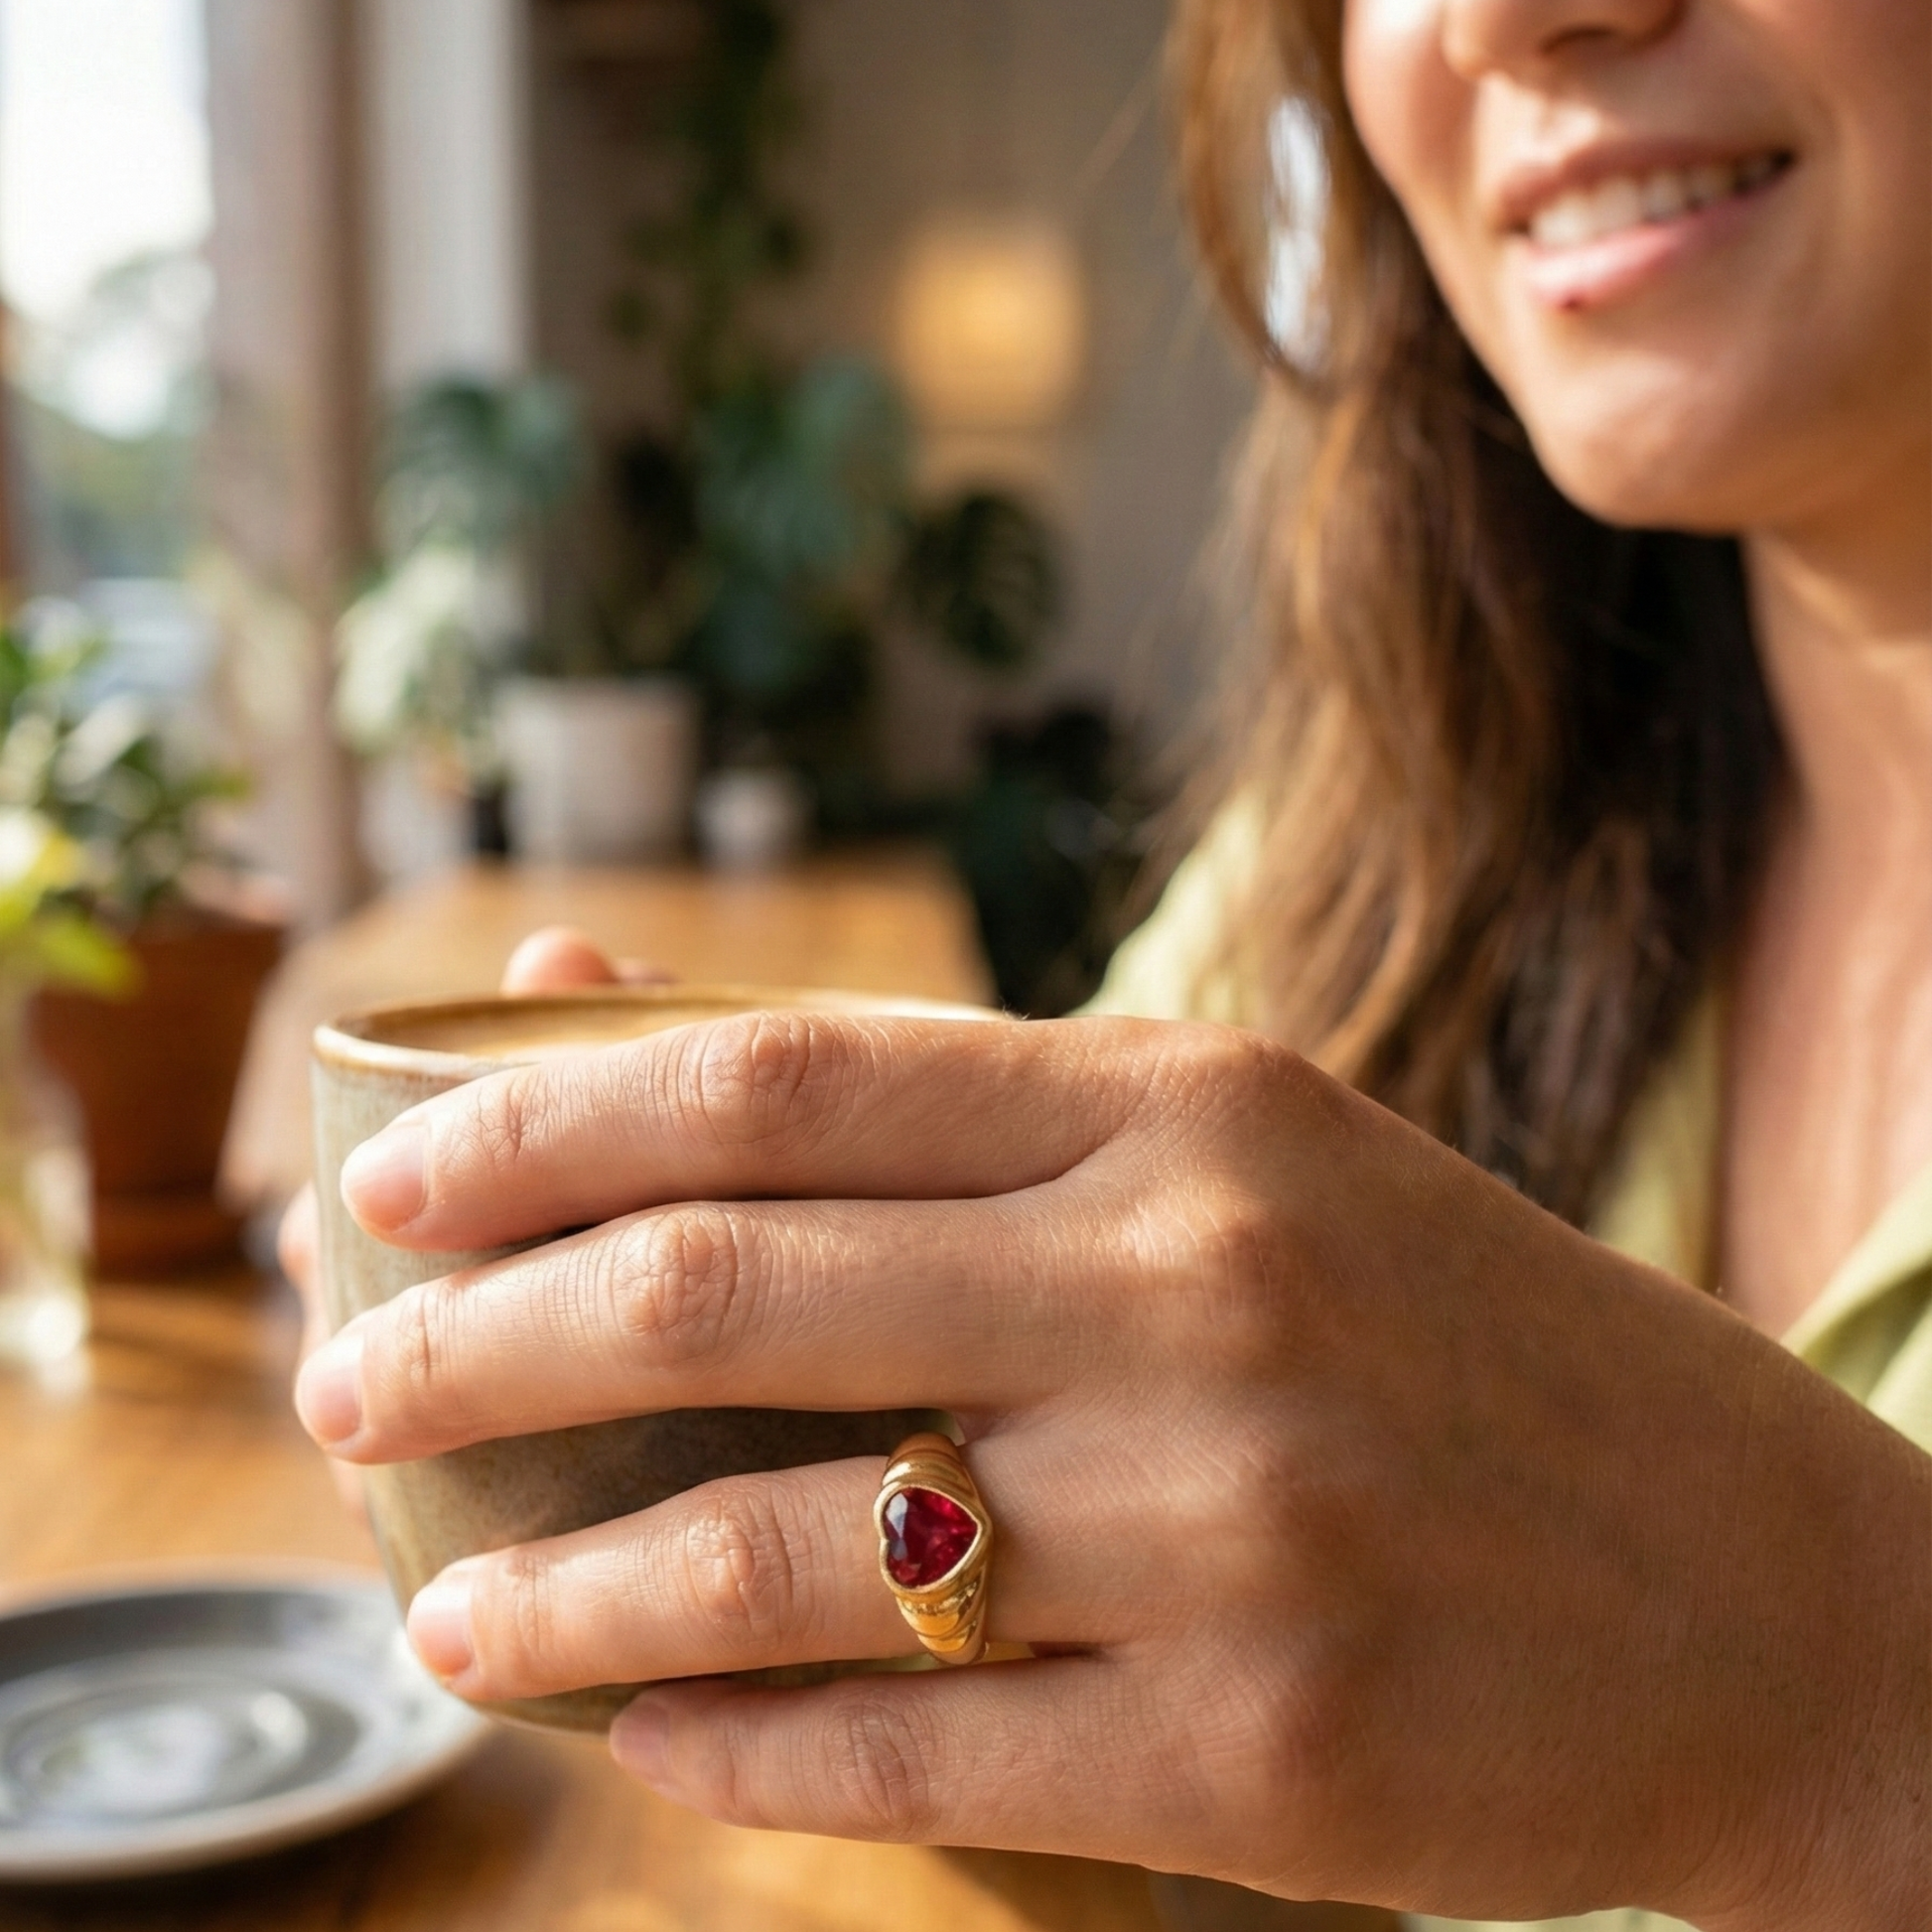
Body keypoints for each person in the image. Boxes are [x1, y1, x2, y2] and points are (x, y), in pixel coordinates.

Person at [282, 0, 1931, 1925]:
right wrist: (768, 1438)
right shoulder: (1400, 838)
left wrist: (1846, 1699)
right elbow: (1227, 1847)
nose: (1505, 13)